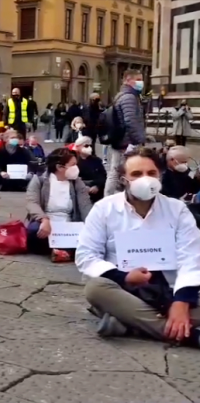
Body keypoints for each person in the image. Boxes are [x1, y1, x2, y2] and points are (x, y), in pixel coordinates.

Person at [77, 147, 200, 343]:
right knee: (95, 288)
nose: (146, 179)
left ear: (159, 176)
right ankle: (190, 335)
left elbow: (191, 256)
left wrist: (181, 302)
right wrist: (124, 277)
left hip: (170, 288)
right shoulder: (104, 208)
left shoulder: (177, 210)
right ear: (124, 179)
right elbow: (86, 256)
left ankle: (130, 322)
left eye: (151, 173)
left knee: (185, 301)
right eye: (136, 174)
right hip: (124, 290)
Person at [26, 148, 92, 261]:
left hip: (69, 224)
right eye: (73, 165)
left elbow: (85, 205)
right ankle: (64, 251)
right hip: (47, 222)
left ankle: (61, 251)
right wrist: (44, 219)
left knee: (88, 237)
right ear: (60, 167)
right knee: (33, 231)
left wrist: (91, 225)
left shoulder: (77, 182)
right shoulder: (40, 180)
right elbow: (32, 202)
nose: (76, 168)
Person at [104, 69, 147, 197]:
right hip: (126, 142)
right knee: (117, 171)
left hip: (122, 140)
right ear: (129, 80)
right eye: (138, 80)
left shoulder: (124, 95)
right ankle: (109, 197)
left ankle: (113, 196)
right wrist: (138, 140)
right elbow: (131, 121)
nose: (141, 83)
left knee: (117, 170)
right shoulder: (129, 97)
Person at [73, 136, 106, 203]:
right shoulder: (74, 161)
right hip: (79, 191)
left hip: (96, 191)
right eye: (86, 145)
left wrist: (97, 186)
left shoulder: (96, 160)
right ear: (78, 147)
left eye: (90, 145)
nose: (89, 148)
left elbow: (103, 176)